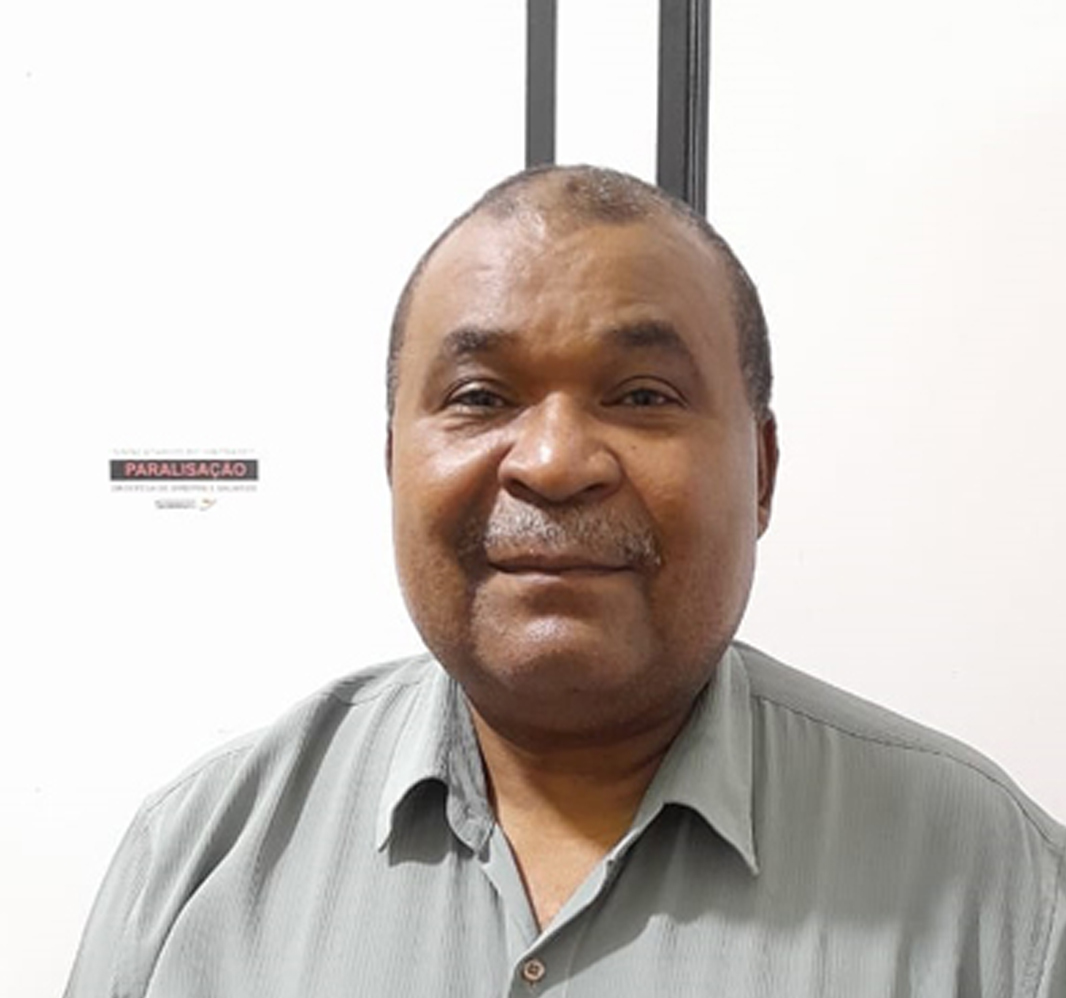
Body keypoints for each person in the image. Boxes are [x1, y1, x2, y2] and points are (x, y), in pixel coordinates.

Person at [65, 165, 1064, 997]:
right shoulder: (197, 861)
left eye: (643, 396)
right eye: (479, 396)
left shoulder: (1002, 892)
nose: (551, 461)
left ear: (760, 472)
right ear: (392, 464)